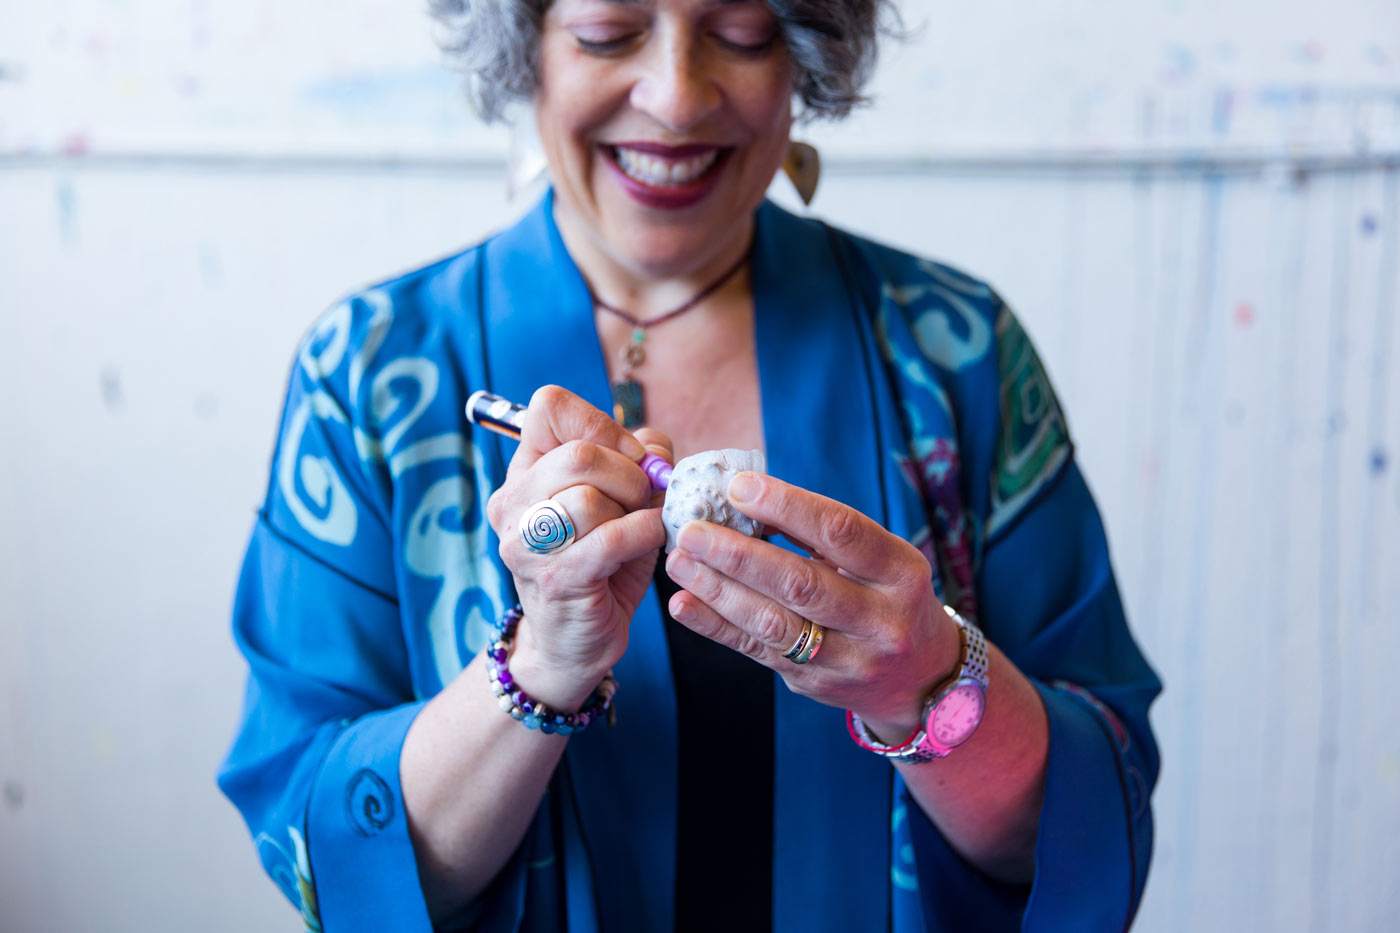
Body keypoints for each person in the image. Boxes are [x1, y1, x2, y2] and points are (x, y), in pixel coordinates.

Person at [218, 0, 1161, 929]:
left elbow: (1090, 817)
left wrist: (923, 685)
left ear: (804, 48)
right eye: (605, 32)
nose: (675, 97)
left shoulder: (958, 354)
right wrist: (541, 663)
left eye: (741, 33)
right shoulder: (371, 376)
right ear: (526, 47)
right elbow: (322, 846)